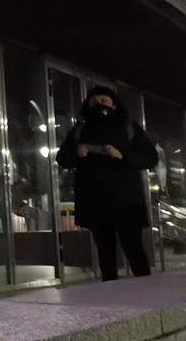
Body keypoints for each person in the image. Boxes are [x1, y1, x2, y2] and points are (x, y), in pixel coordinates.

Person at [55, 86, 158, 281]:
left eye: (104, 100)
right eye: (94, 101)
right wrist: (77, 153)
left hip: (126, 202)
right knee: (105, 254)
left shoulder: (130, 127)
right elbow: (62, 158)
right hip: (95, 202)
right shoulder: (80, 130)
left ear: (114, 103)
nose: (100, 104)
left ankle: (148, 295)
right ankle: (110, 297)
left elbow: (150, 158)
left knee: (134, 249)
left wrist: (123, 155)